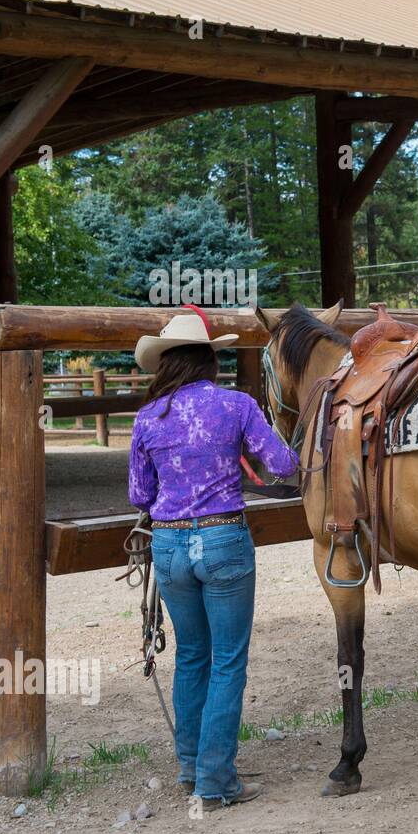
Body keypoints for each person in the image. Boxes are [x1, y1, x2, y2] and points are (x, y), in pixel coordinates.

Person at [128, 309, 299, 808]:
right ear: (209, 360)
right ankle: (215, 779)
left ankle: (190, 769)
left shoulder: (146, 417)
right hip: (224, 539)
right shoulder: (238, 406)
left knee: (192, 657)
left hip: (170, 545)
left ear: (165, 364)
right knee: (227, 662)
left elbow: (141, 493)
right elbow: (285, 465)